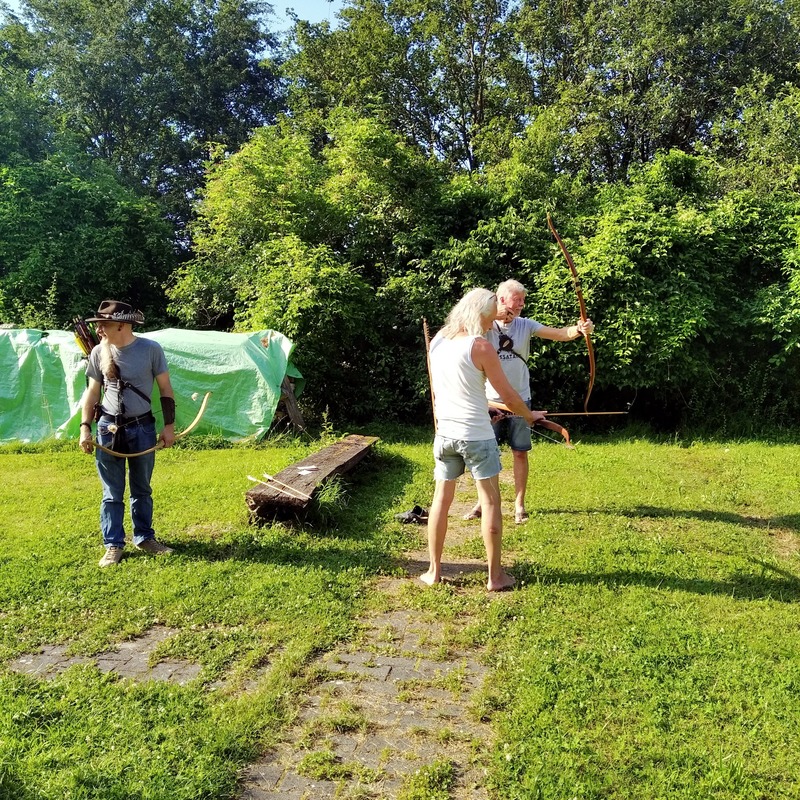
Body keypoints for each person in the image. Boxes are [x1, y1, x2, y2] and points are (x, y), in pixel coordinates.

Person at [421, 288, 547, 591]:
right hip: (476, 437)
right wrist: (529, 415)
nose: (492, 326)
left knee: (441, 500)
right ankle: (495, 577)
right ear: (478, 315)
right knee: (490, 501)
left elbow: (456, 388)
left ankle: (433, 572)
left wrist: (485, 408)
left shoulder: (439, 341)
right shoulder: (480, 346)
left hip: (446, 434)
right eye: (490, 320)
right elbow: (509, 396)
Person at [464, 279, 594, 525]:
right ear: (501, 300)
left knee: (520, 452)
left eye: (523, 301)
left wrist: (579, 330)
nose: (521, 305)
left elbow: (559, 334)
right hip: (489, 401)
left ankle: (519, 504)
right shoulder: (484, 325)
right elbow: (462, 328)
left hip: (521, 399)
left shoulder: (525, 324)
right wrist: (494, 316)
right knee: (485, 453)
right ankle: (482, 502)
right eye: (517, 300)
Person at [78, 300, 176, 567]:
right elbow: (92, 393)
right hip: (107, 429)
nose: (99, 329)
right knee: (112, 492)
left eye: (103, 324)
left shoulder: (151, 349)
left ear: (121, 325)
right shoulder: (98, 351)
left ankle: (144, 538)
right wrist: (85, 428)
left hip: (143, 428)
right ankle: (113, 544)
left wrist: (169, 427)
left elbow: (165, 389)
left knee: (142, 488)